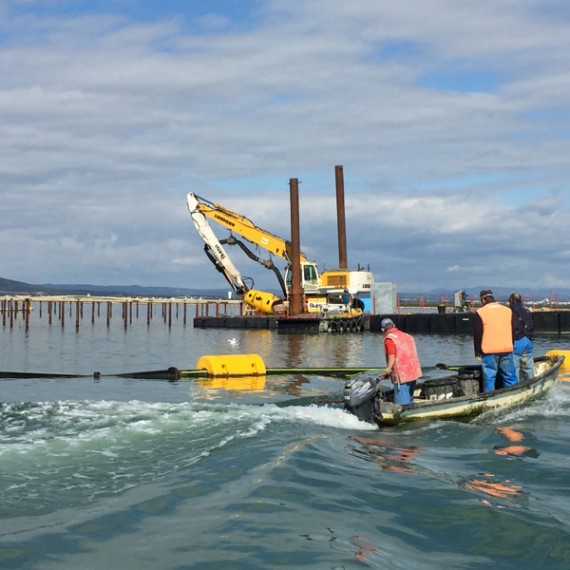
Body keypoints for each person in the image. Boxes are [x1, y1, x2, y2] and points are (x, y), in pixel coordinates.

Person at [473, 290, 517, 392]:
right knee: (509, 376)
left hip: (489, 351)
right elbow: (513, 330)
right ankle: (513, 394)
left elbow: (477, 333)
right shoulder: (507, 310)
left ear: (483, 300)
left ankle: (491, 399)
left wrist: (477, 352)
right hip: (506, 348)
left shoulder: (480, 312)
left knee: (489, 377)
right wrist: (512, 344)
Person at [380, 318, 422, 405]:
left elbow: (392, 355)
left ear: (383, 329)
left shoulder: (390, 339)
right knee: (409, 398)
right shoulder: (408, 336)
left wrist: (388, 369)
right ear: (394, 326)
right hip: (413, 372)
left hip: (401, 375)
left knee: (402, 405)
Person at [509, 292, 534, 382]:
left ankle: (516, 387)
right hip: (528, 340)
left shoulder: (509, 311)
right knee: (529, 367)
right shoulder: (527, 311)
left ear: (511, 301)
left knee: (514, 368)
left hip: (517, 341)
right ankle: (531, 383)